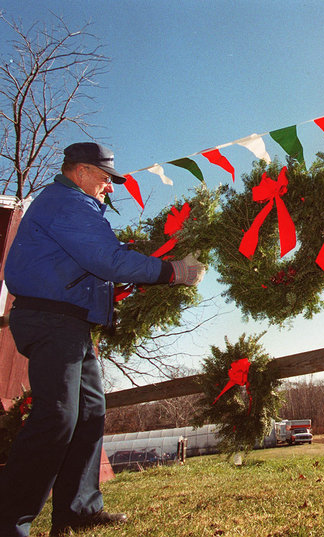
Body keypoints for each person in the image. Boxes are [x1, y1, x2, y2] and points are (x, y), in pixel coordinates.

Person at [0, 142, 206, 537]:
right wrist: (172, 271)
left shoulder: (75, 207)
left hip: (70, 321)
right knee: (57, 415)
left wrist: (138, 269)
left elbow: (100, 262)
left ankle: (77, 509)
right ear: (80, 172)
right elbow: (105, 259)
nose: (110, 187)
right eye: (106, 178)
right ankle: (9, 520)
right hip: (50, 317)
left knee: (90, 412)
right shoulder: (67, 203)